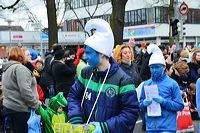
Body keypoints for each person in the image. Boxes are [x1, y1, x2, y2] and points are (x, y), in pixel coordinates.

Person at [67, 19, 139, 133]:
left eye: (89, 53)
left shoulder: (123, 80)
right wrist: (76, 118)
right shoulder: (86, 73)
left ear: (101, 53)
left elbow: (131, 113)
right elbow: (73, 96)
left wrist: (106, 127)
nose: (85, 57)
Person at [139, 44, 184, 133]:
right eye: (152, 68)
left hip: (167, 128)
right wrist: (143, 104)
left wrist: (164, 102)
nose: (154, 70)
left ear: (163, 67)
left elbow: (180, 105)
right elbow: (139, 106)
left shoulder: (172, 83)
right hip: (151, 128)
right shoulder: (146, 84)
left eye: (157, 67)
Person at [2, 47, 40, 133]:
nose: (30, 56)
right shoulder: (19, 68)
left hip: (10, 108)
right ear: (21, 55)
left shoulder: (7, 68)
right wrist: (35, 104)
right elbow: (25, 90)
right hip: (21, 110)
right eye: (27, 54)